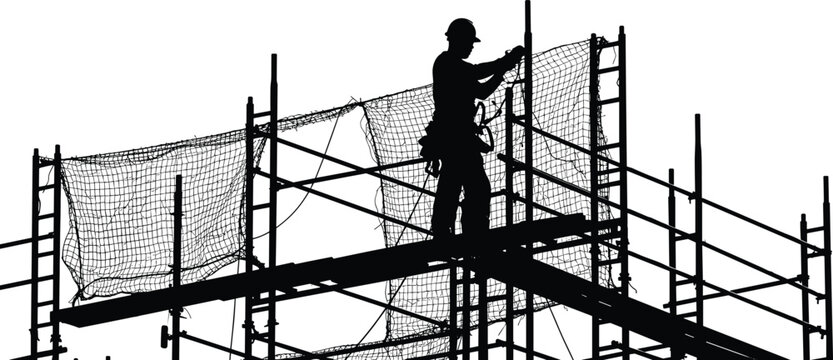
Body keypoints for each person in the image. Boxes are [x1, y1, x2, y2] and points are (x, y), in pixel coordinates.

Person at [429, 18, 524, 240]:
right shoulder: (447, 64)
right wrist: (505, 62)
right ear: (458, 40)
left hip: (458, 136)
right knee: (472, 186)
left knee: (456, 184)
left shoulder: (455, 68)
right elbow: (478, 73)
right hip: (455, 136)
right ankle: (463, 231)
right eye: (469, 42)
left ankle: (452, 230)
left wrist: (501, 71)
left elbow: (481, 90)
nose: (471, 46)